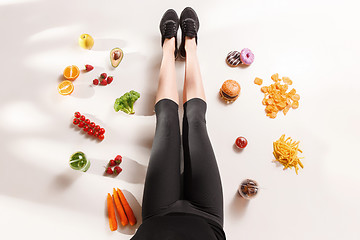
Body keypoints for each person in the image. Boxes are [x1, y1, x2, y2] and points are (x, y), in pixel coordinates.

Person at [131, 7, 226, 240]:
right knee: (195, 120)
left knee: (166, 120)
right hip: (207, 218)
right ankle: (191, 46)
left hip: (159, 215)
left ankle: (168, 47)